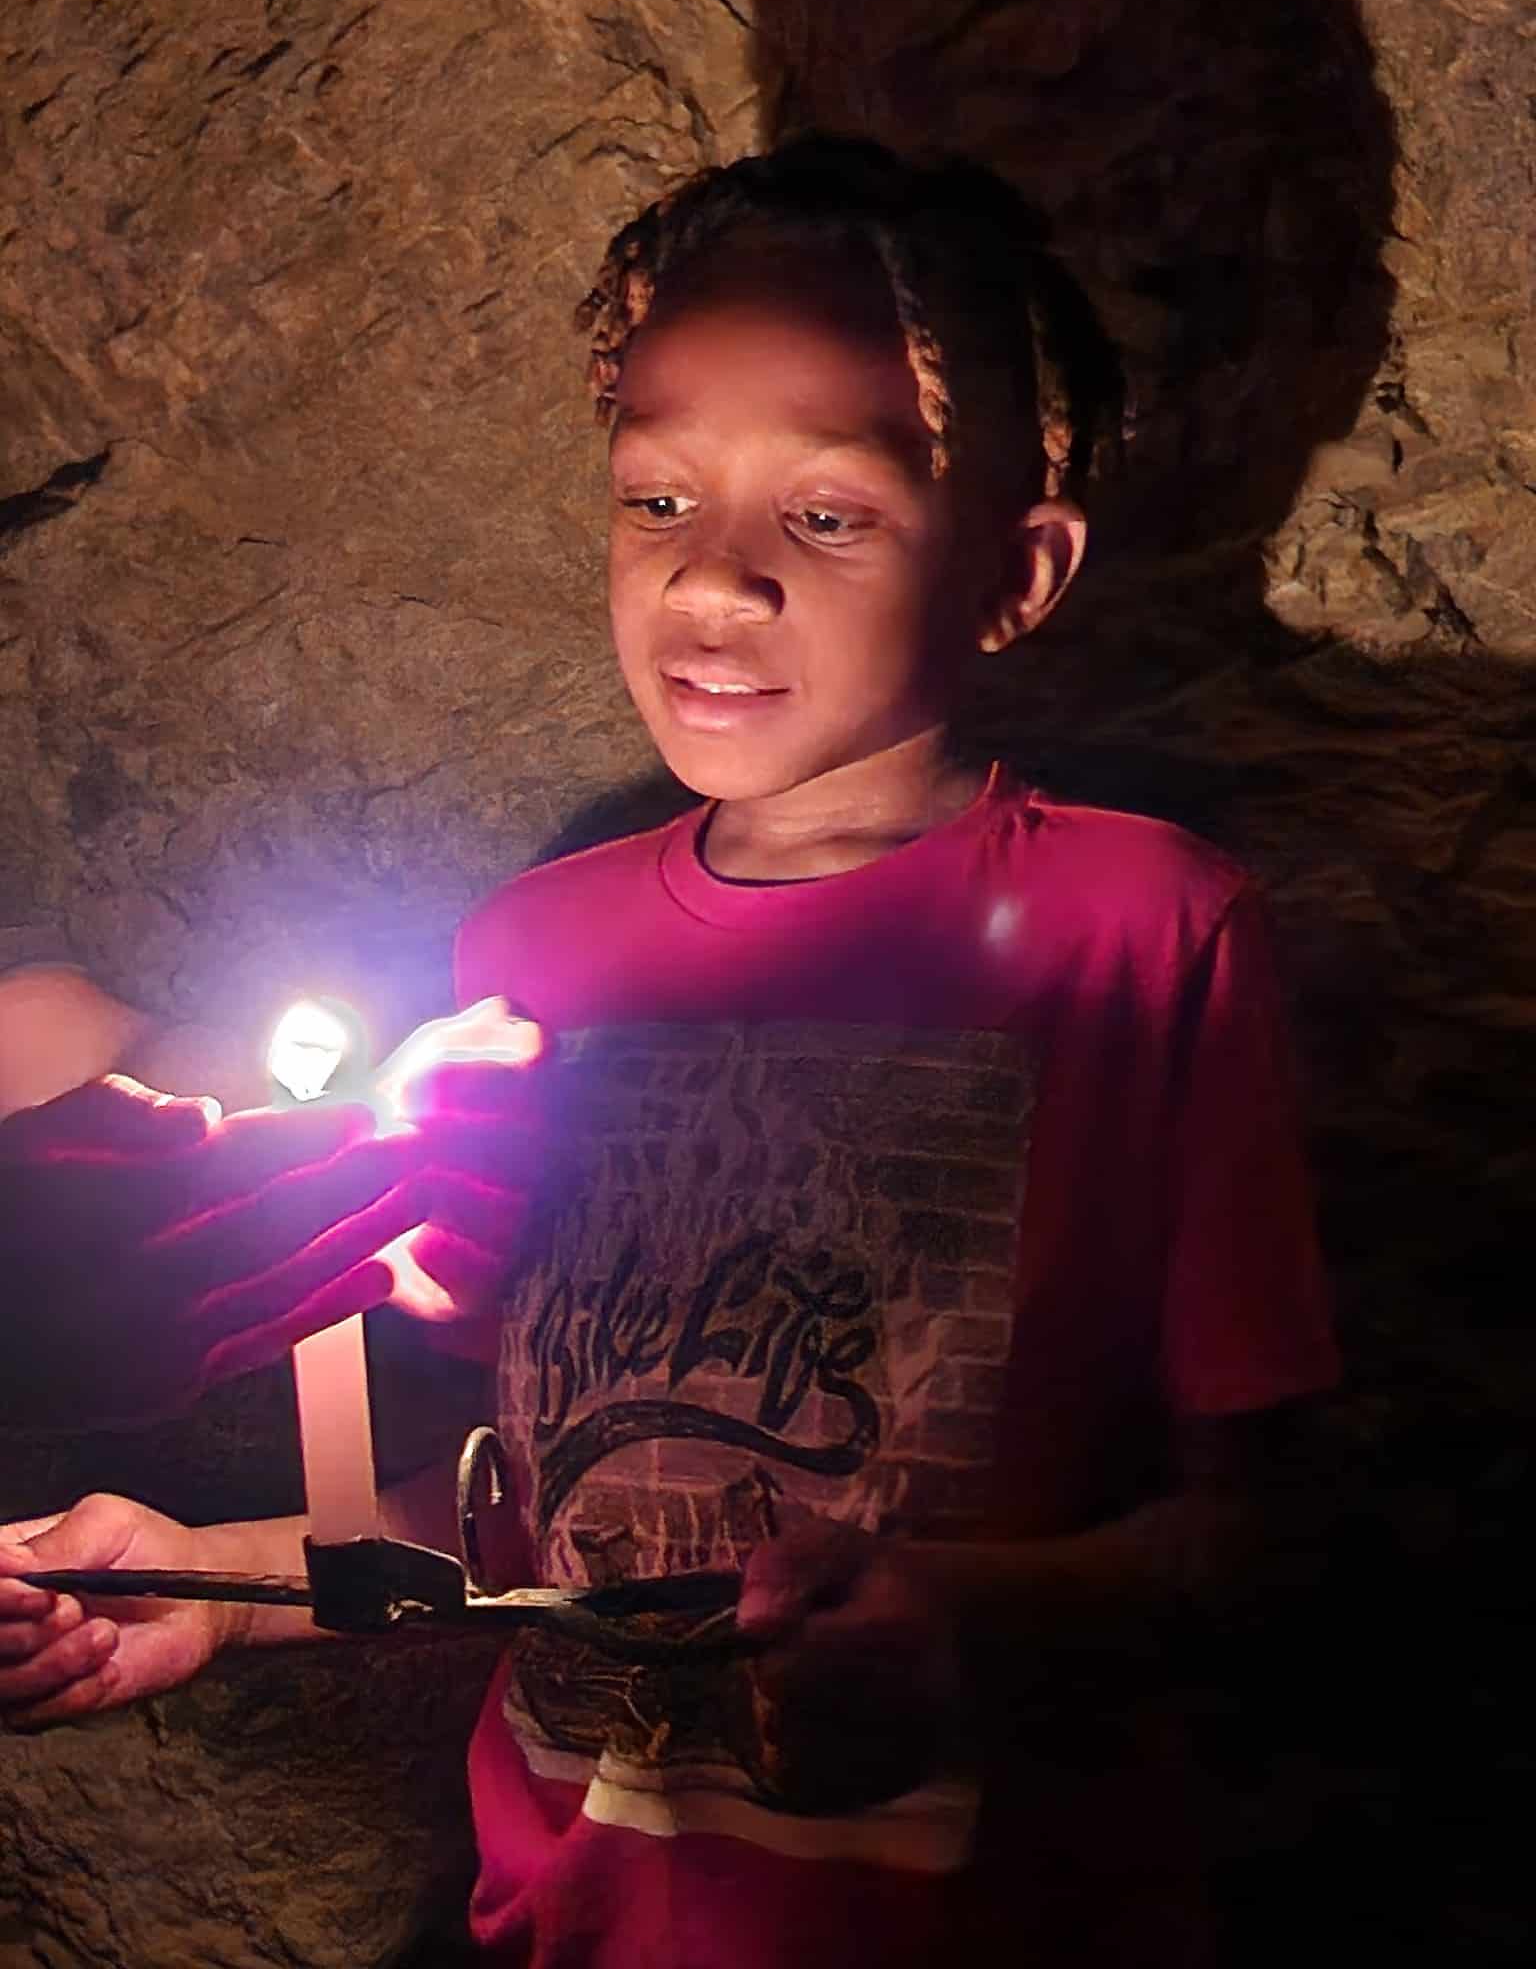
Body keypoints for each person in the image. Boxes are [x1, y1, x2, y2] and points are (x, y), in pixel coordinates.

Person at [0, 136, 1339, 1966]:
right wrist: (215, 1585)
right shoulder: (532, 951)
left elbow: (1264, 1547)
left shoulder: (1148, 936)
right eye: (658, 504)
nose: (717, 581)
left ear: (1016, 575)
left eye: (829, 514)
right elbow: (553, 1507)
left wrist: (969, 1619)